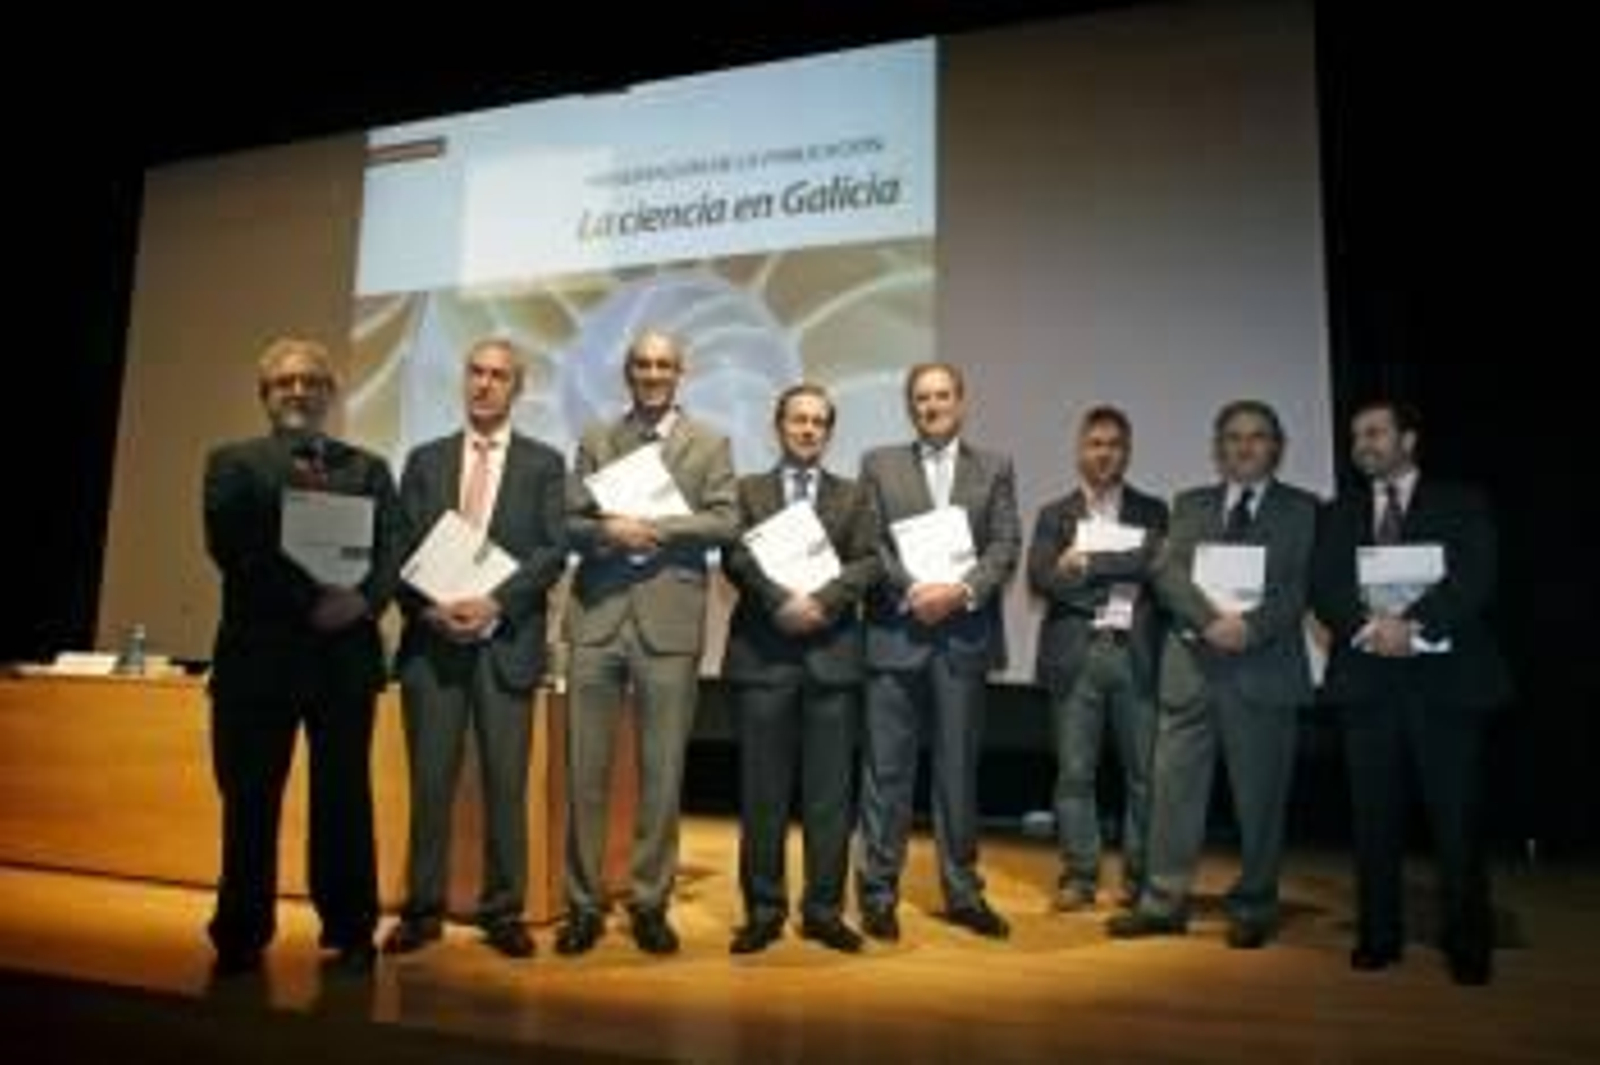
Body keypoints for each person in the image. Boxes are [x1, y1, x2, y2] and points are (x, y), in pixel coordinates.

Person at [201, 336, 400, 976]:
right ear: (265, 394)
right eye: (285, 381)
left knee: (343, 800)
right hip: (259, 661)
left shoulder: (367, 468)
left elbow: (392, 548)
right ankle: (241, 931)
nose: (299, 391)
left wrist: (362, 602)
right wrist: (312, 603)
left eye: (312, 381)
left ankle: (350, 930)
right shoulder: (232, 462)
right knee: (250, 801)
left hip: (344, 662)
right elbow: (237, 547)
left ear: (330, 394)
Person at [1311, 400, 1509, 985]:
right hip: (1368, 684)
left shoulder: (1460, 501)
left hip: (1445, 685)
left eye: (1374, 433)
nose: (1362, 444)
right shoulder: (1340, 511)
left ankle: (1468, 943)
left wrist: (1413, 625)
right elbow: (1325, 585)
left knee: (1456, 821)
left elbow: (1475, 576)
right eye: (1356, 437)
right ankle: (1378, 937)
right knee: (1373, 820)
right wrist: (1373, 629)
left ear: (1409, 439)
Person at [382, 338, 568, 960]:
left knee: (505, 783)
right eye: (477, 373)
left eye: (499, 376)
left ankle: (503, 910)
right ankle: (422, 909)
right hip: (432, 647)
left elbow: (551, 552)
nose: (485, 384)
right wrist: (430, 609)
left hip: (506, 643)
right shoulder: (425, 459)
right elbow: (400, 547)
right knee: (431, 783)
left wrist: (494, 603)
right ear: (465, 381)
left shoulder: (544, 463)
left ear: (517, 388)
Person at [1109, 399, 1317, 949]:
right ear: (1217, 448)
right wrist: (1211, 621)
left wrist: (1248, 628)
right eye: (1232, 437)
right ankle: (1161, 902)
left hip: (1263, 668)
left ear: (1277, 448)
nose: (1244, 446)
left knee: (1260, 799)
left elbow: (1299, 586)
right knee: (1173, 794)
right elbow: (1168, 572)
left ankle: (1254, 905)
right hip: (1192, 667)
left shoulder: (1303, 509)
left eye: (1256, 437)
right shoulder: (1191, 503)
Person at [557, 328, 738, 956]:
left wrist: (652, 528)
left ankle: (650, 903)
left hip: (669, 625)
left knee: (663, 774)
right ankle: (581, 906)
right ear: (627, 372)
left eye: (664, 365)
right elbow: (568, 523)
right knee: (586, 773)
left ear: (680, 372)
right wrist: (610, 531)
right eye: (642, 364)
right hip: (597, 621)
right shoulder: (596, 439)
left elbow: (726, 518)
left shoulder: (710, 442)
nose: (653, 374)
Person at [854, 362, 1021, 942]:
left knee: (957, 773)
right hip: (896, 635)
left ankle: (963, 892)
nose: (932, 406)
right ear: (910, 406)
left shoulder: (994, 466)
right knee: (886, 773)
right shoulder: (879, 464)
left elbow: (1005, 543)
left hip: (962, 637)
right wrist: (913, 592)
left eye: (942, 396)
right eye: (921, 398)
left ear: (961, 401)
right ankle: (878, 893)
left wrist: (962, 591)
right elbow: (870, 543)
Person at [721, 384, 880, 955]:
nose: (808, 429)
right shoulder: (747, 490)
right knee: (762, 793)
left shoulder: (855, 496)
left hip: (832, 659)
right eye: (798, 419)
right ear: (779, 425)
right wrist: (779, 602)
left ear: (829, 432)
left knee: (829, 797)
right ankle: (763, 911)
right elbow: (737, 556)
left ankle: (823, 911)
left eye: (818, 422)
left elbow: (869, 561)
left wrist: (825, 601)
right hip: (764, 657)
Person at [1027, 405, 1168, 912]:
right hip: (1075, 656)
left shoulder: (1153, 511)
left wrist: (1086, 564)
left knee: (1144, 774)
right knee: (1074, 773)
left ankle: (1139, 875)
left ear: (1126, 452)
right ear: (1080, 451)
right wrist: (1108, 576)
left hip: (1136, 654)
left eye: (1114, 444)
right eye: (1095, 444)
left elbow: (1154, 563)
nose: (1104, 453)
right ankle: (1079, 875)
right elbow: (1041, 578)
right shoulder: (1053, 514)